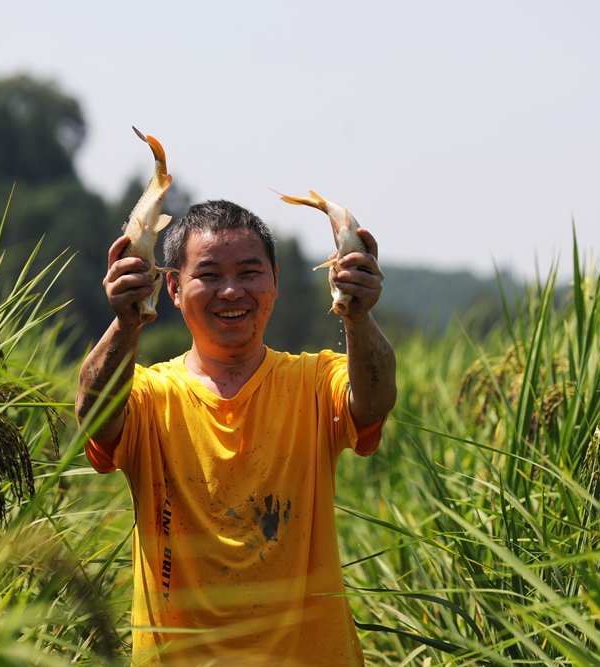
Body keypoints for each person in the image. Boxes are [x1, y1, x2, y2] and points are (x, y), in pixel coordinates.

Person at [76, 200, 396, 666]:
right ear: (173, 287)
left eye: (249, 273)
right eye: (208, 275)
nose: (231, 291)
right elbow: (94, 416)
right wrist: (126, 321)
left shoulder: (314, 380)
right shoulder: (149, 395)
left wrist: (358, 314)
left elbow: (374, 400)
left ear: (275, 282)